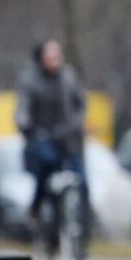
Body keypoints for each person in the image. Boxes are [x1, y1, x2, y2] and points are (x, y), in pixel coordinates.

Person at [14, 39, 89, 238]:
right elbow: (23, 108)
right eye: (50, 58)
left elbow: (80, 104)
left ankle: (83, 229)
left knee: (82, 180)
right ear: (41, 60)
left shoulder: (68, 78)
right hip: (42, 137)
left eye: (57, 57)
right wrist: (26, 125)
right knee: (47, 166)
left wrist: (75, 124)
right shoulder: (30, 80)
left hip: (66, 138)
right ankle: (36, 209)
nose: (54, 62)